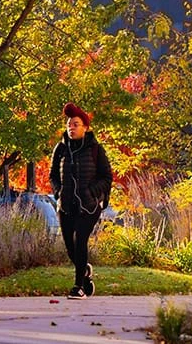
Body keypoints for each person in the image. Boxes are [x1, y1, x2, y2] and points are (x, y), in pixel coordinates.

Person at [49, 102, 112, 299]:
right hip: (66, 205)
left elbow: (107, 177)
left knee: (80, 241)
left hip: (89, 205)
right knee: (70, 247)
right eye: (69, 124)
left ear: (85, 127)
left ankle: (79, 288)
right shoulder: (60, 149)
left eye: (76, 124)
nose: (71, 127)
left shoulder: (95, 149)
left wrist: (92, 192)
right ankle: (84, 273)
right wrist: (58, 192)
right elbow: (52, 176)